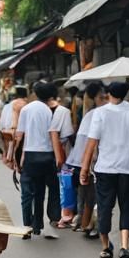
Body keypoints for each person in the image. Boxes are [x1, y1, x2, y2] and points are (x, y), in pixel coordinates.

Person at [79, 81, 129, 258]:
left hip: (105, 169)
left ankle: (105, 247)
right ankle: (124, 246)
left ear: (109, 93)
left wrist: (84, 168)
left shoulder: (99, 113)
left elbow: (91, 142)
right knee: (127, 207)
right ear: (128, 94)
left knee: (104, 207)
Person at [12, 81, 61, 238]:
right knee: (40, 191)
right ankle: (38, 224)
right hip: (46, 155)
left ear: (35, 93)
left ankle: (27, 226)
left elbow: (19, 136)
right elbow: (52, 135)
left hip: (30, 155)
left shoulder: (26, 109)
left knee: (26, 192)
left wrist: (14, 157)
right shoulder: (49, 111)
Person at [65, 83, 105, 236]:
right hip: (90, 162)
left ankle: (82, 221)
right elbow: (91, 142)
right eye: (102, 97)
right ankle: (89, 223)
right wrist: (89, 163)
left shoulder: (90, 114)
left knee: (84, 192)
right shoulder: (97, 114)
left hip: (79, 160)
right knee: (91, 194)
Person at [48, 90, 75, 228]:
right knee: (65, 185)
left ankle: (62, 215)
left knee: (60, 185)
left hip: (50, 154)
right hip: (63, 156)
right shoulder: (63, 111)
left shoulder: (43, 110)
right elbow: (68, 134)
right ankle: (65, 215)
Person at [0, 85, 27, 164]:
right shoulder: (24, 104)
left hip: (7, 135)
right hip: (19, 136)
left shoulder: (6, 106)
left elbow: (2, 125)